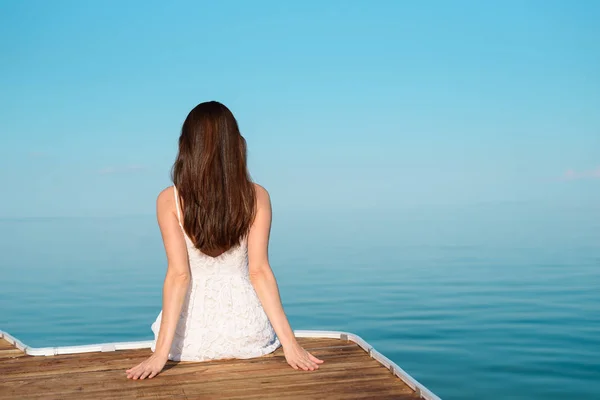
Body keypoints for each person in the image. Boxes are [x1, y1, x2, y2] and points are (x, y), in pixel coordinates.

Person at [126, 101, 323, 380]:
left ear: (186, 145)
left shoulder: (169, 200)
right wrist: (291, 346)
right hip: (247, 334)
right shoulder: (256, 196)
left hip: (191, 338)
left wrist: (161, 355)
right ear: (235, 144)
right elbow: (259, 272)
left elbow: (179, 276)